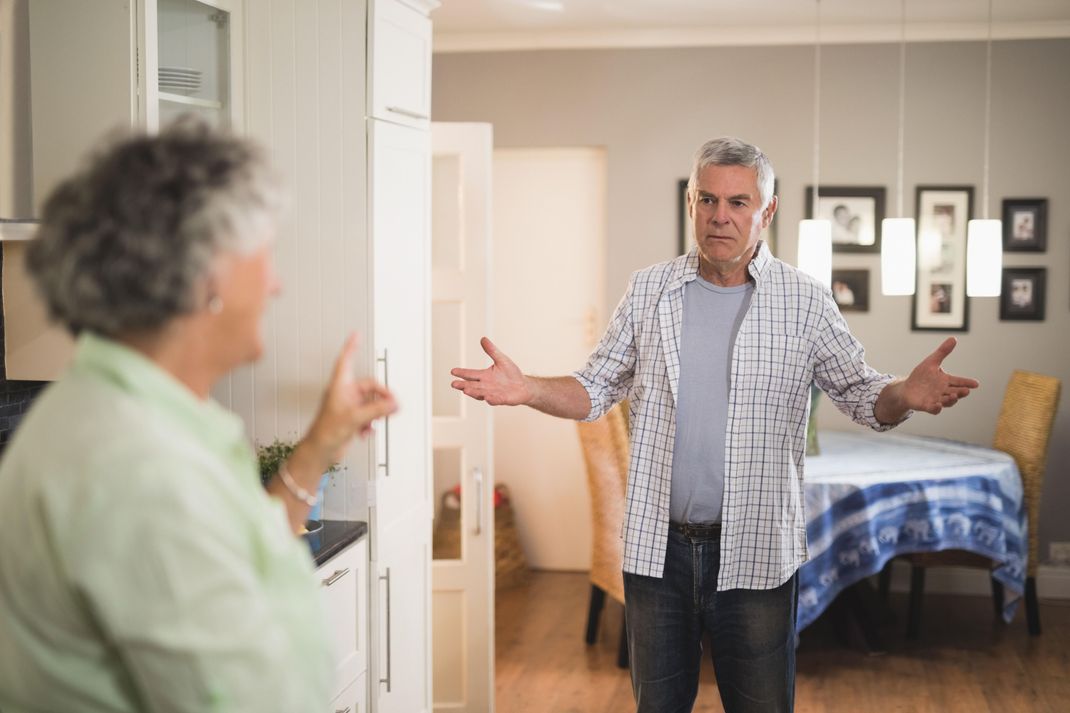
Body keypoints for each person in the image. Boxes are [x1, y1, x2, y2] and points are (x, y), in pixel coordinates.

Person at [450, 137, 978, 713]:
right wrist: (527, 388)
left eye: (738, 202)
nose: (719, 216)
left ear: (767, 211)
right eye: (707, 200)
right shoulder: (649, 290)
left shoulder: (806, 302)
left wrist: (904, 393)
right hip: (659, 554)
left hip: (756, 552)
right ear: (690, 203)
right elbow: (595, 387)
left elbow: (862, 395)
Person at [0, 121, 397, 712]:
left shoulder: (116, 409)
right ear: (205, 275)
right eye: (263, 256)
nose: (276, 283)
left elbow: (233, 552)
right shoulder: (141, 468)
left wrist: (319, 447)